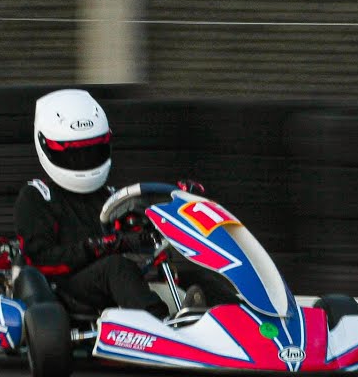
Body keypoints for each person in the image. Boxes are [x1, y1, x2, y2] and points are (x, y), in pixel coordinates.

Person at [12, 88, 215, 320]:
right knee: (116, 267)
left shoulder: (111, 196)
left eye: (93, 150)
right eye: (75, 154)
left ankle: (234, 327)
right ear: (46, 145)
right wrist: (99, 246)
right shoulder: (37, 196)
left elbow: (130, 239)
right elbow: (40, 260)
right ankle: (160, 326)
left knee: (197, 280)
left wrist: (172, 214)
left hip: (120, 282)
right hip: (63, 289)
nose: (85, 160)